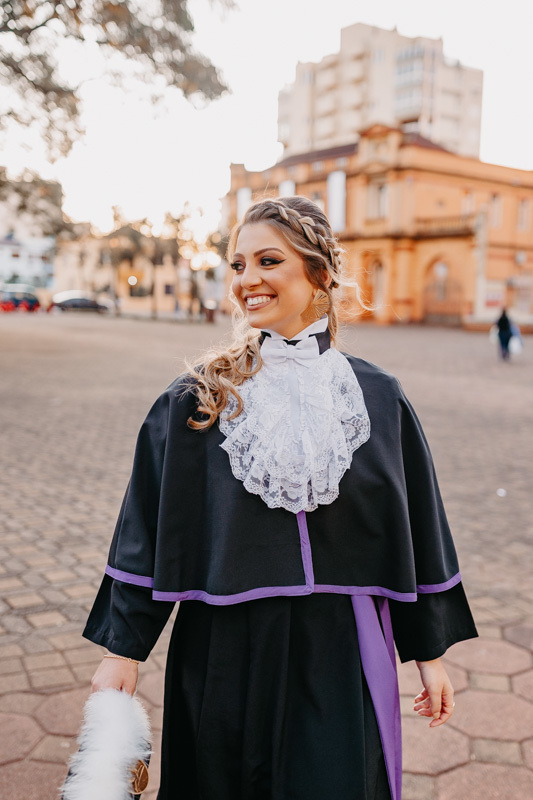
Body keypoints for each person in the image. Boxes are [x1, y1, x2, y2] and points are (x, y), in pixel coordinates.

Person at [84, 196, 478, 800]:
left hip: (343, 649)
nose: (248, 280)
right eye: (238, 265)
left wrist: (429, 650)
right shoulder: (195, 400)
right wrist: (124, 650)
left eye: (269, 260)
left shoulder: (377, 396)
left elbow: (418, 523)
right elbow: (146, 524)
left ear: (320, 274)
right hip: (223, 643)